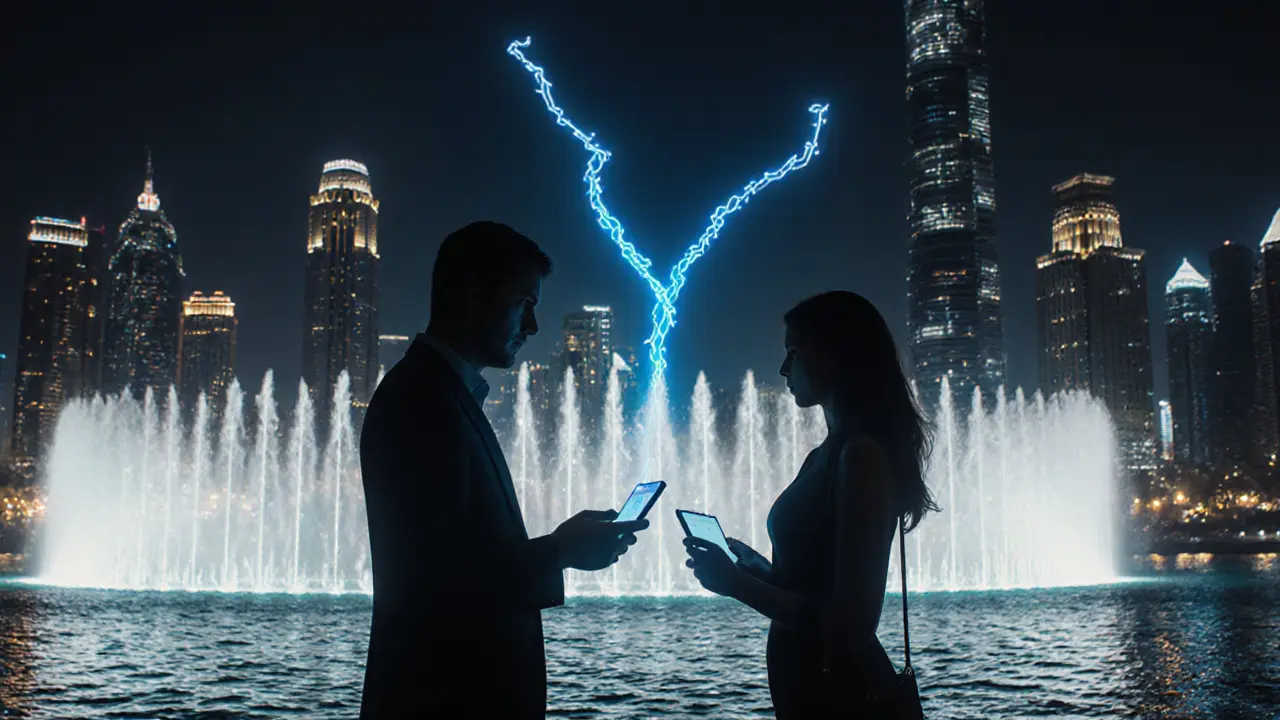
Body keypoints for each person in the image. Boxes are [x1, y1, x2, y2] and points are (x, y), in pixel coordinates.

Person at [359, 221, 649, 719]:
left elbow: (461, 557)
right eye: (524, 303)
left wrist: (561, 545)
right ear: (474, 294)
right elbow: (436, 586)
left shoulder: (444, 395)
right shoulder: (423, 402)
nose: (533, 326)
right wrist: (560, 550)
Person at [683, 291, 936, 717]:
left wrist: (736, 584)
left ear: (835, 354)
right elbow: (811, 584)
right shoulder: (823, 455)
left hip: (844, 698)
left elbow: (853, 623)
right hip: (809, 694)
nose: (784, 368)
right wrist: (757, 568)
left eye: (793, 352)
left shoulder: (862, 456)